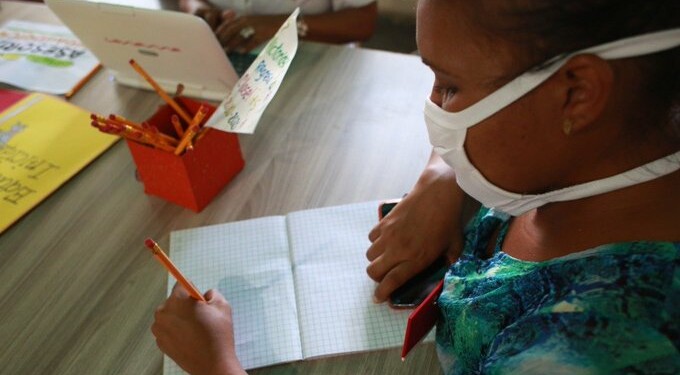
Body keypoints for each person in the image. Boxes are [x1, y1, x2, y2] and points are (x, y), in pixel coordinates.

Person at [152, 0, 680, 373]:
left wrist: (217, 365)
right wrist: (448, 174)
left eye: (449, 87)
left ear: (579, 93)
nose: (433, 111)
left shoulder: (587, 349)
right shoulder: (605, 150)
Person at [178, 0, 377, 53]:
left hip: (314, 63)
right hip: (222, 53)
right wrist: (196, 7)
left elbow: (362, 21)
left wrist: (287, 26)